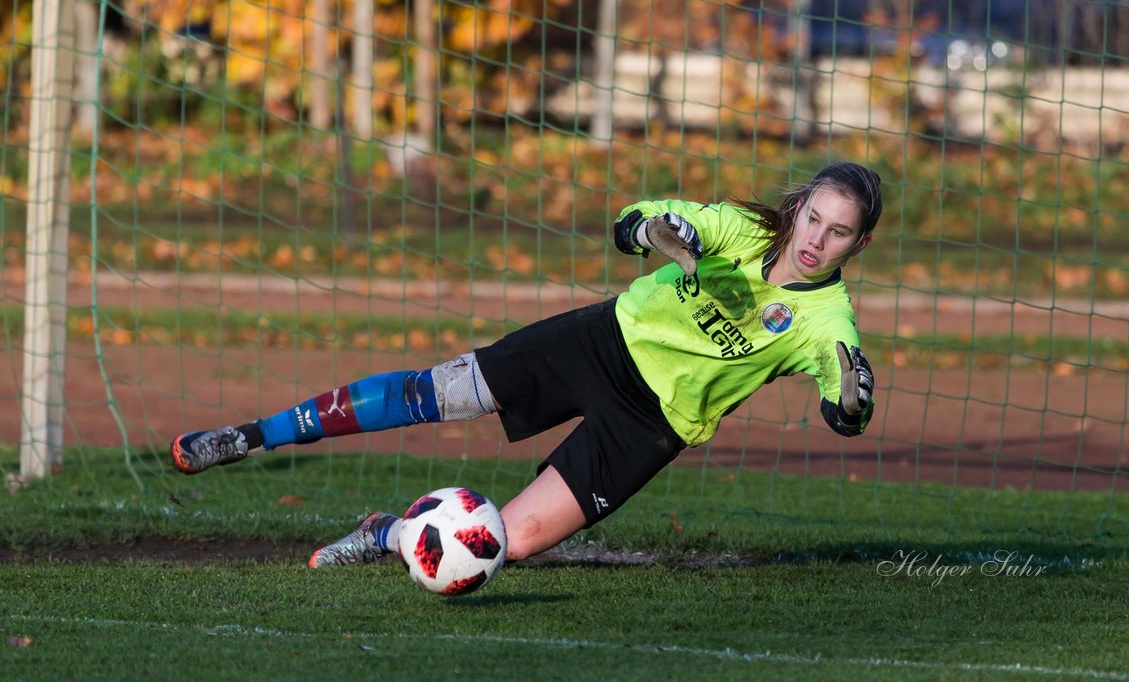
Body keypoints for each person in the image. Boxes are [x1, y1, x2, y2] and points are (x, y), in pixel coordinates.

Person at [170, 161, 883, 567]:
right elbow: (643, 221)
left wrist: (851, 404)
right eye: (813, 217)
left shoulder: (829, 321)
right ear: (798, 207)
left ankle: (383, 531)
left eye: (839, 231)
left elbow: (841, 402)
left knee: (500, 546)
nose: (817, 239)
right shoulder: (743, 227)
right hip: (599, 343)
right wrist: (661, 231)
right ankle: (251, 435)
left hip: (652, 423)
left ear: (859, 243)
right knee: (436, 392)